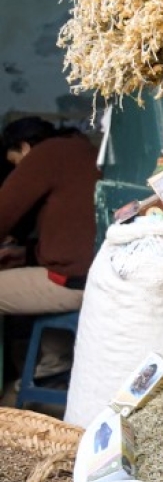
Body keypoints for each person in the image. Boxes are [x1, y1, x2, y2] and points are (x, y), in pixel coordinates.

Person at [0, 116, 100, 377]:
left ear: (24, 147)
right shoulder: (82, 149)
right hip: (96, 276)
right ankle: (54, 363)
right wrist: (27, 252)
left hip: (75, 282)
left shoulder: (46, 154)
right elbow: (72, 232)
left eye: (16, 164)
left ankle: (51, 365)